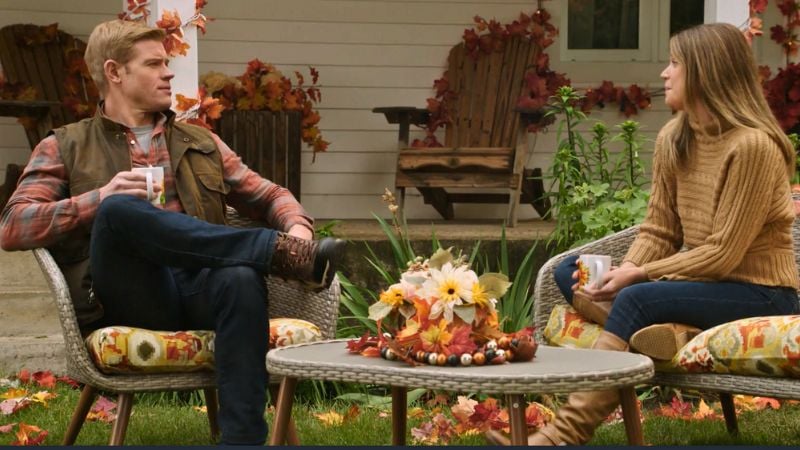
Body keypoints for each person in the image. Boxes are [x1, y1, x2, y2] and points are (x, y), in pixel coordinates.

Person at [0, 19, 343, 445]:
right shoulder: (66, 145)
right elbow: (13, 225)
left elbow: (271, 195)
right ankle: (269, 251)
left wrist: (297, 231)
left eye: (168, 62)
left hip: (203, 288)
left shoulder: (200, 142)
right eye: (155, 63)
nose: (169, 73)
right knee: (118, 209)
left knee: (239, 275)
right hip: (130, 295)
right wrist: (99, 198)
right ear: (114, 72)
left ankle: (244, 441)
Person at [487, 22, 800, 446]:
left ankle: (561, 437)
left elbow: (723, 253)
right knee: (570, 273)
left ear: (706, 73)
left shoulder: (753, 147)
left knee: (634, 297)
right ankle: (669, 333)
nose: (664, 74)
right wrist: (628, 266)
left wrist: (638, 277)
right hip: (705, 284)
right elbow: (660, 228)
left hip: (760, 289)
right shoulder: (676, 137)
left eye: (675, 64)